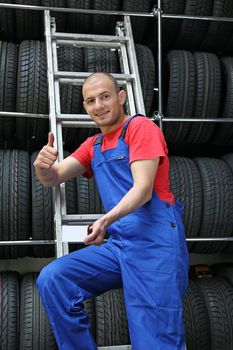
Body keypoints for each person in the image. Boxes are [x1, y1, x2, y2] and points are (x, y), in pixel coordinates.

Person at [35, 72, 189, 350]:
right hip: (121, 246)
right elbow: (54, 177)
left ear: (121, 96)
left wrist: (106, 219)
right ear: (85, 107)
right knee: (54, 278)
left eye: (105, 97)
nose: (99, 106)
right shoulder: (93, 146)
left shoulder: (141, 129)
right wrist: (42, 167)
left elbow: (143, 190)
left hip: (155, 246)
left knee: (154, 340)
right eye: (91, 101)